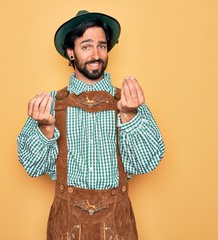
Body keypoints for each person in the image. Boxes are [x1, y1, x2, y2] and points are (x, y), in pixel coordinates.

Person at [17, 10, 165, 240]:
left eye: (102, 46)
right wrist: (46, 129)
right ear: (71, 52)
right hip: (66, 228)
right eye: (86, 46)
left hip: (118, 228)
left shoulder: (127, 100)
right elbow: (32, 167)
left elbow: (147, 163)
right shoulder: (50, 105)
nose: (96, 54)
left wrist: (129, 116)